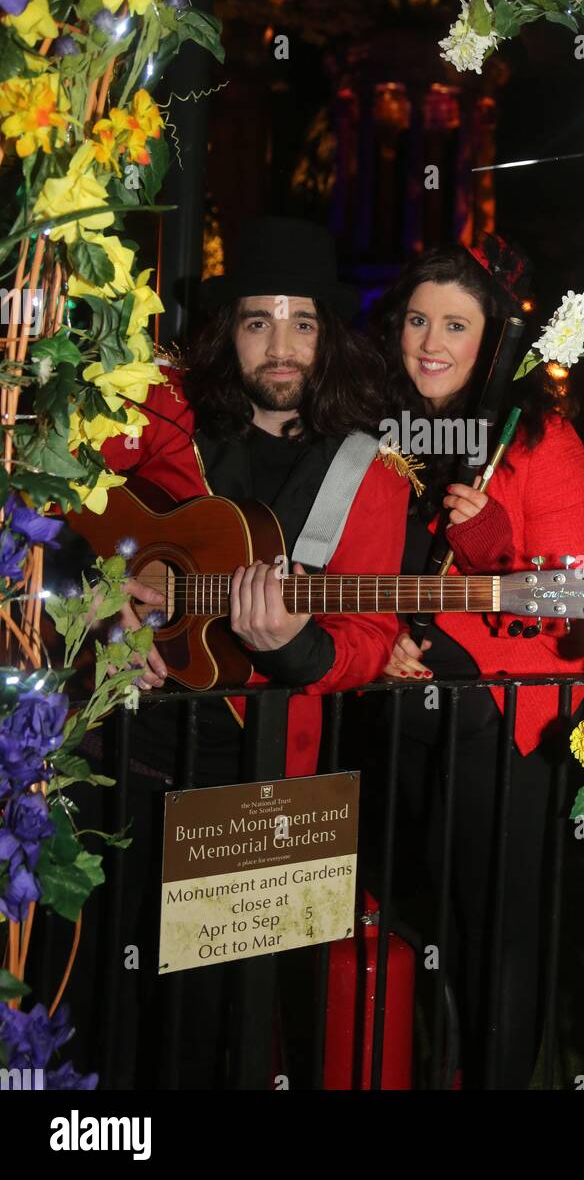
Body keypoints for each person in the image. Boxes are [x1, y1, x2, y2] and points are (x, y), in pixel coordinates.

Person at [54, 217, 408, 1087]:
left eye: (302, 322)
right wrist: (105, 622)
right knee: (98, 1003)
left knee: (239, 1029)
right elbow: (56, 518)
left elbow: (369, 644)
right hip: (121, 759)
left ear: (330, 338)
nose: (279, 346)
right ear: (230, 333)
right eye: (258, 322)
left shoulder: (372, 471)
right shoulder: (163, 418)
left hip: (269, 783)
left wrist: (293, 644)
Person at [369, 237, 584, 1090]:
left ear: (494, 340)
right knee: (444, 925)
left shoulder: (542, 442)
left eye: (456, 326)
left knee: (499, 929)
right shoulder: (390, 436)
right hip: (410, 723)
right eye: (418, 319)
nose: (431, 341)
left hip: (510, 726)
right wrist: (382, 639)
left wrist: (494, 549)